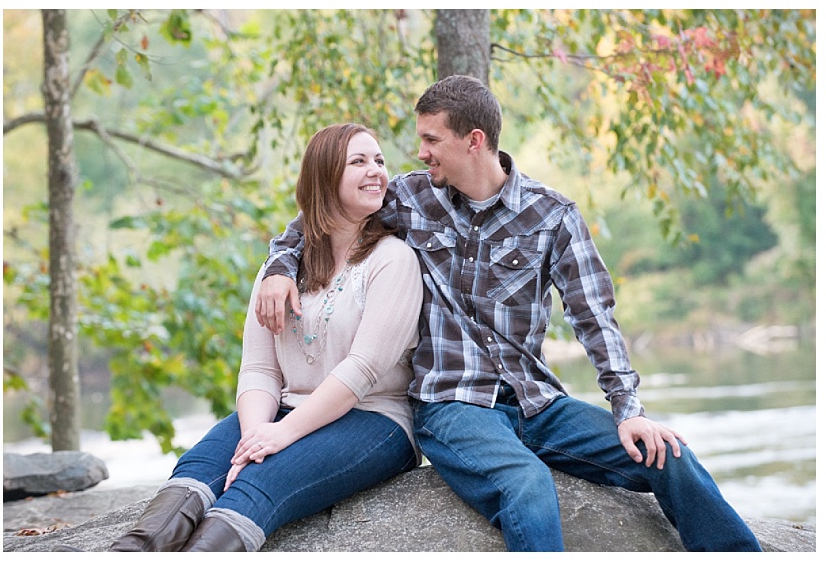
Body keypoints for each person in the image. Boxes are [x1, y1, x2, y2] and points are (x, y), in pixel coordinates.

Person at [254, 76, 761, 552]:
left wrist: (629, 411)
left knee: (668, 456)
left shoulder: (552, 214)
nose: (420, 152)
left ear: (474, 140)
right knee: (527, 483)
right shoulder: (409, 198)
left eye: (432, 140)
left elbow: (595, 318)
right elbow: (320, 212)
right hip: (452, 405)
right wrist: (280, 265)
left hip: (537, 403)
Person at [98, 123, 423, 552]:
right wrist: (254, 437)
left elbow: (361, 372)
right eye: (358, 162)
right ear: (325, 177)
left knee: (256, 486)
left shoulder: (393, 260)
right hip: (281, 408)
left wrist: (279, 437)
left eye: (379, 161)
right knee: (195, 470)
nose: (377, 172)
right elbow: (258, 369)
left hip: (373, 417)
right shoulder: (282, 269)